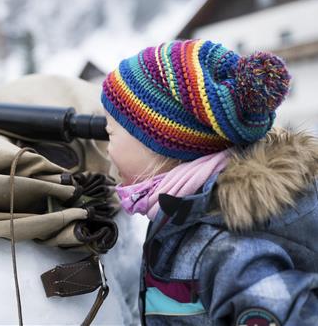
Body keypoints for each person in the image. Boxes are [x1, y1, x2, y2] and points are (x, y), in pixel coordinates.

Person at [100, 39, 318, 325]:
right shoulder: (180, 208)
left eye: (110, 133)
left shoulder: (227, 246)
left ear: (162, 143)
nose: (106, 148)